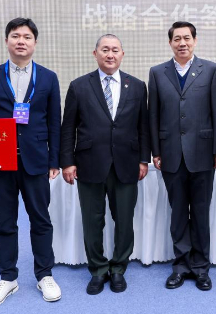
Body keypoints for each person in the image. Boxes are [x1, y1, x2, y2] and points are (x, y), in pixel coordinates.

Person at [0, 17, 62, 307]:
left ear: (35, 43)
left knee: (41, 220)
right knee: (4, 223)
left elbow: (54, 123)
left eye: (27, 37)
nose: (21, 41)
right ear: (7, 41)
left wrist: (54, 160)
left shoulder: (48, 78)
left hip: (36, 162)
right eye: (16, 36)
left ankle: (44, 275)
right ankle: (8, 278)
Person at [60, 34, 150, 295]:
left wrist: (143, 159)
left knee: (124, 220)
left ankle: (119, 268)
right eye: (105, 50)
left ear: (122, 54)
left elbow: (143, 126)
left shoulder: (137, 86)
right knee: (92, 221)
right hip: (89, 163)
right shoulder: (79, 86)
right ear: (95, 53)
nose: (110, 55)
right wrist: (67, 162)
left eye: (115, 50)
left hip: (127, 163)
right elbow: (68, 128)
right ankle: (98, 269)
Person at [148, 21, 216, 291]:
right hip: (170, 154)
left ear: (195, 40)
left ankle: (201, 268)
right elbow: (153, 115)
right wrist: (156, 151)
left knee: (201, 212)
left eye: (187, 38)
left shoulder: (211, 70)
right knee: (178, 213)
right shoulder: (157, 73)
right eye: (177, 39)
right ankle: (180, 266)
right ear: (170, 43)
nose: (182, 43)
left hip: (203, 153)